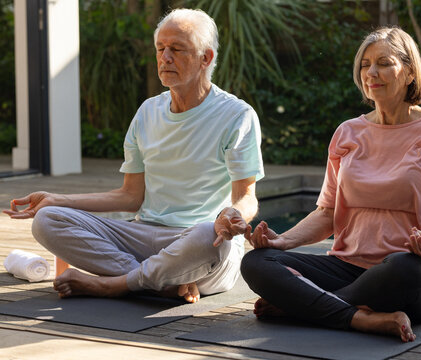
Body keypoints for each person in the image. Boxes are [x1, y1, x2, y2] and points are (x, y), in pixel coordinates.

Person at [3, 8, 264, 303]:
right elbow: (130, 196)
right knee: (47, 220)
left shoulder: (237, 115)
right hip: (144, 236)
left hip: (197, 243)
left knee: (209, 239)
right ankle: (157, 281)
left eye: (176, 49)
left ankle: (112, 284)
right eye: (160, 49)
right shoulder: (147, 112)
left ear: (206, 58)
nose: (165, 58)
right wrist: (57, 199)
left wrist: (234, 214)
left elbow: (247, 196)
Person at [241, 26, 421, 342]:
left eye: (384, 63)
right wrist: (281, 242)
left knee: (403, 268)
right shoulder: (347, 133)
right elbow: (327, 213)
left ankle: (303, 306)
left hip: (415, 272)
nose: (372, 72)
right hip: (346, 268)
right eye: (365, 65)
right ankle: (361, 318)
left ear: (411, 72)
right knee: (257, 262)